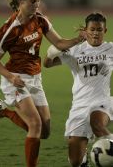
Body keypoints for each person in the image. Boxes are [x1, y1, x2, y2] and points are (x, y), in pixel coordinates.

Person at [0, 0, 85, 167]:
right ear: (21, 2)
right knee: (35, 125)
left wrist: (78, 39)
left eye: (39, 1)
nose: (37, 5)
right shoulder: (9, 30)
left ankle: (3, 112)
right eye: (33, 1)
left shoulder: (40, 20)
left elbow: (59, 43)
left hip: (35, 79)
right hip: (15, 80)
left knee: (45, 132)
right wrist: (11, 77)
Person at [43, 12, 113, 167]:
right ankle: (84, 162)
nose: (96, 33)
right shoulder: (75, 50)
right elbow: (47, 64)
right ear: (86, 30)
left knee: (97, 124)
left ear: (105, 31)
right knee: (75, 161)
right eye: (92, 29)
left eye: (99, 30)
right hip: (79, 105)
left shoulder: (110, 49)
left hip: (101, 100)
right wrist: (50, 54)